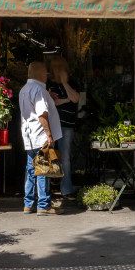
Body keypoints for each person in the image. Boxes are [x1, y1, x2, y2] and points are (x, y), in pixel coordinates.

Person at [19, 61, 63, 215]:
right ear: (40, 74)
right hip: (40, 136)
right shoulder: (39, 89)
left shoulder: (25, 89)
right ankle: (43, 205)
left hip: (29, 135)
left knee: (31, 169)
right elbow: (42, 115)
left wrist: (48, 97)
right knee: (43, 169)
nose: (47, 76)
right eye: (45, 73)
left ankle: (28, 204)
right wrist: (49, 135)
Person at [47, 56, 81, 200]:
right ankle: (45, 192)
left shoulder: (72, 84)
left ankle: (66, 191)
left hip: (67, 126)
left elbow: (76, 98)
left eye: (60, 67)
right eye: (55, 67)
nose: (57, 70)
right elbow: (51, 104)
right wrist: (66, 99)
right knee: (48, 157)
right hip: (51, 126)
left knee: (65, 158)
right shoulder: (48, 84)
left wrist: (65, 84)